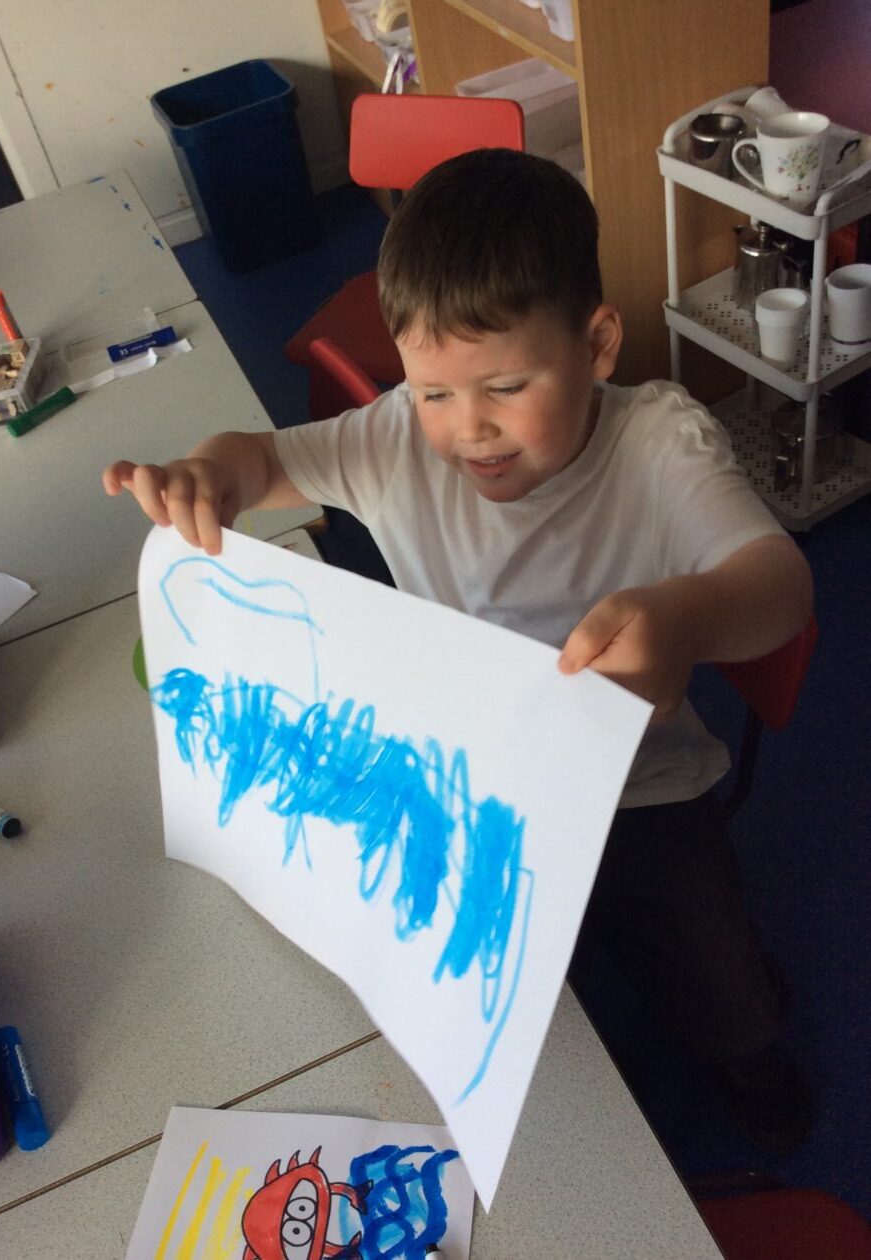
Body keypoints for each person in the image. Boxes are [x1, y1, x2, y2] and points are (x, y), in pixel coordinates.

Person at [104, 148, 814, 1151]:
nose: (468, 429)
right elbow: (258, 461)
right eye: (432, 391)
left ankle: (747, 1052)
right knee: (495, 1005)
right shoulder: (395, 439)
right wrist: (208, 476)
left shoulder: (657, 442)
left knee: (718, 986)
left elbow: (779, 582)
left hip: (640, 790)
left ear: (597, 344)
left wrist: (685, 618)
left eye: (506, 386)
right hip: (473, 793)